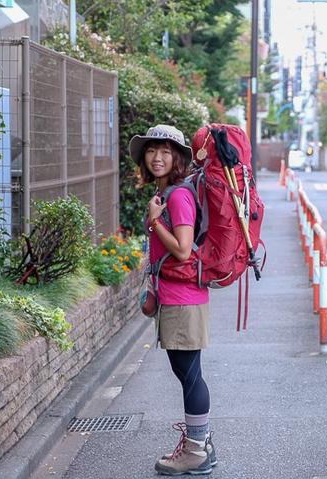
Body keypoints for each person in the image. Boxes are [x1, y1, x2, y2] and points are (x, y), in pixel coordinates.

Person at [129, 125, 215, 476]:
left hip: (184, 299)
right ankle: (201, 444)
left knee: (189, 375)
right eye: (152, 151)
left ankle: (196, 451)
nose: (158, 157)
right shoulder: (168, 193)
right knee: (187, 373)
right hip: (177, 297)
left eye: (166, 151)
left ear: (178, 157)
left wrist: (154, 221)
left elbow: (181, 249)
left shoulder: (179, 196)